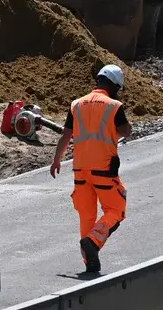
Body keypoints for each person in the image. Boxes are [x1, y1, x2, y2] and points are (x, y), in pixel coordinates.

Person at [51, 65, 130, 277]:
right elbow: (126, 131)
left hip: (80, 172)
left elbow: (66, 136)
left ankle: (90, 263)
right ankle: (93, 242)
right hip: (103, 169)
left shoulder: (76, 105)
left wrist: (56, 160)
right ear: (114, 86)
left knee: (87, 216)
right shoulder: (114, 105)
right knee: (117, 209)